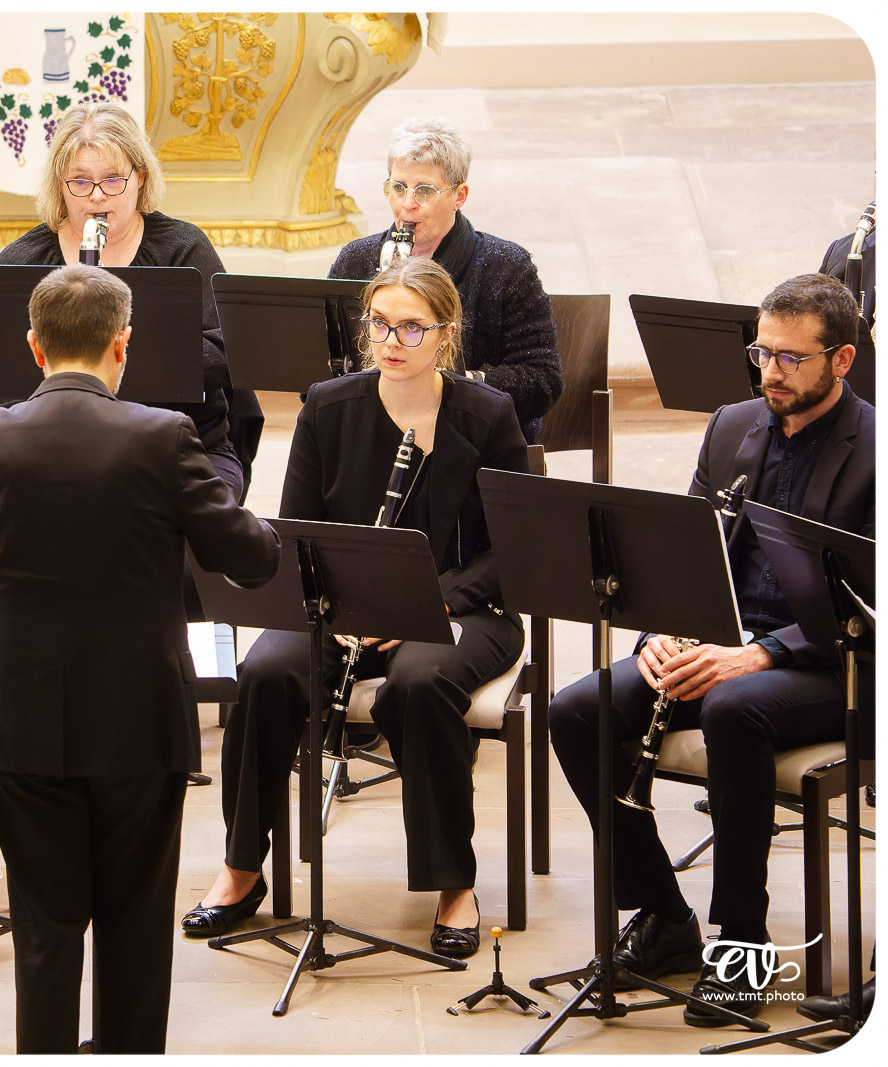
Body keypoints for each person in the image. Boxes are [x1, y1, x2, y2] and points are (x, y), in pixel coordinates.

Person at [0, 265, 279, 1053]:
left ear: (33, 347)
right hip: (139, 716)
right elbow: (250, 558)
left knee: (44, 927)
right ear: (123, 345)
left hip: (20, 715)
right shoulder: (163, 437)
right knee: (137, 926)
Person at [548, 273, 875, 1025]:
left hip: (838, 661)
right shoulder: (733, 424)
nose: (769, 373)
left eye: (792, 359)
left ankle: (743, 943)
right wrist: (660, 629)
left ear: (844, 359)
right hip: (718, 644)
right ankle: (665, 917)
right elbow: (680, 554)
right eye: (761, 352)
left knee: (733, 707)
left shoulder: (875, 448)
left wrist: (761, 654)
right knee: (576, 709)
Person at [185, 258, 528, 960]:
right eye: (380, 323)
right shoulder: (329, 407)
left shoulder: (486, 415)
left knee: (419, 682)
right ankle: (241, 866)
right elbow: (297, 531)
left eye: (411, 326)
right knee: (265, 673)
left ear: (446, 335)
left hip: (465, 607)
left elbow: (515, 548)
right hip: (339, 607)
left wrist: (429, 602)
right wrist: (337, 608)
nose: (392, 339)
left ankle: (451, 880)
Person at [0, 101, 261, 502]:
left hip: (180, 444)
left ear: (139, 176)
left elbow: (230, 352)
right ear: (59, 184)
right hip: (55, 447)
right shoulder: (25, 260)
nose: (97, 197)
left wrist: (114, 354)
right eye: (80, 183)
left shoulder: (183, 248)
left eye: (113, 180)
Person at [328, 116, 561, 444]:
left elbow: (543, 381)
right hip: (370, 436)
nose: (407, 204)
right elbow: (323, 364)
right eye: (398, 188)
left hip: (476, 442)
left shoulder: (507, 267)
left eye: (424, 190)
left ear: (460, 195)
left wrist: (457, 385)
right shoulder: (357, 259)